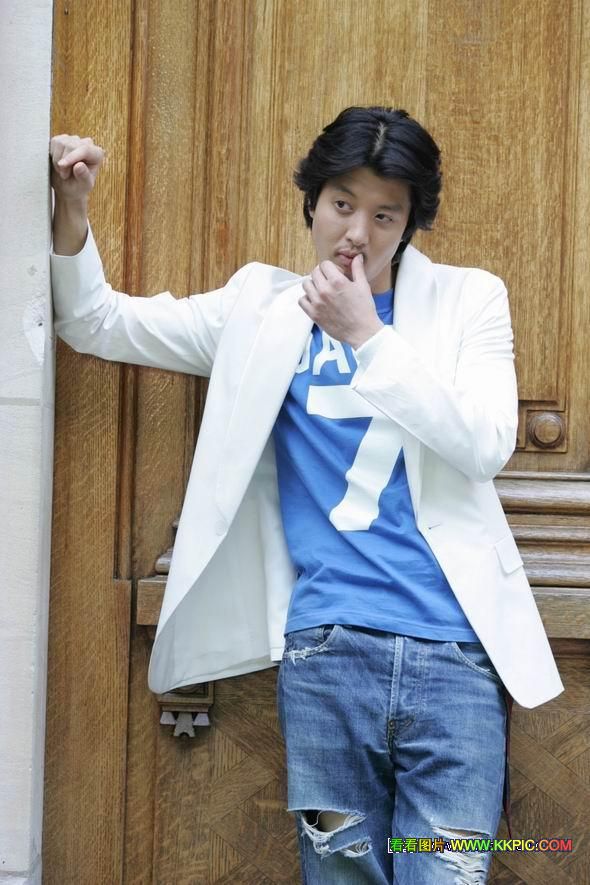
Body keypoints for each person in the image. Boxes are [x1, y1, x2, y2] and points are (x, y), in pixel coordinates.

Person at [50, 107, 563, 884]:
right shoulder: (259, 310)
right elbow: (97, 322)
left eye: (384, 214)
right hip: (326, 657)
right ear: (312, 202)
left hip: (457, 657)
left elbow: (485, 443)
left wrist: (366, 335)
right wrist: (71, 207)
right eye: (342, 204)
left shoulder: (470, 301)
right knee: (341, 873)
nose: (357, 232)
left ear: (410, 223)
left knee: (450, 871)